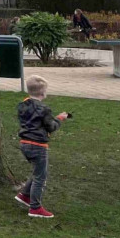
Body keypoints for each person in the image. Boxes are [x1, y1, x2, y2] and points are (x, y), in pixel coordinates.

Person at [15, 75, 70, 219]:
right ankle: (35, 208)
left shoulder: (22, 105)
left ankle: (25, 195)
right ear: (43, 93)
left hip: (24, 143)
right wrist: (59, 119)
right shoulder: (44, 109)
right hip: (38, 146)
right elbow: (50, 127)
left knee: (37, 171)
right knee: (40, 177)